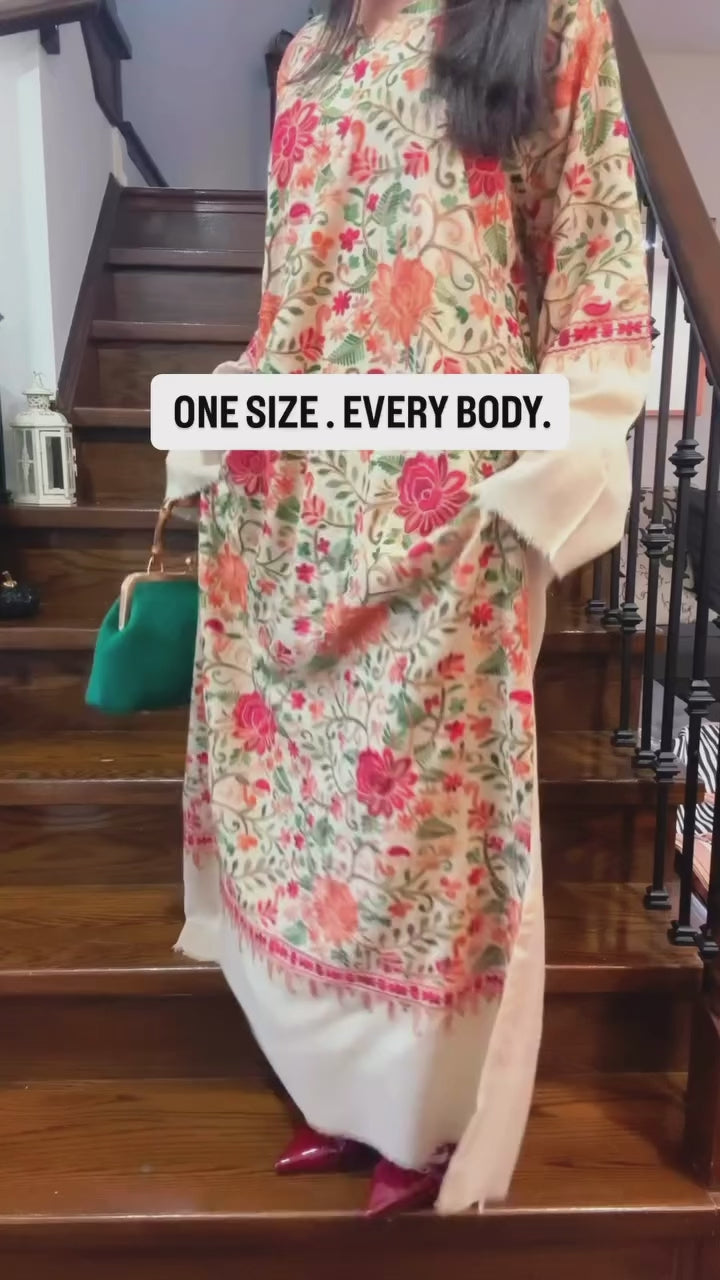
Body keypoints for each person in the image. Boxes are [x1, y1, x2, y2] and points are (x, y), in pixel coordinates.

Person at [166, 0, 651, 1216]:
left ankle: (429, 1121)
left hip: (455, 514)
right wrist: (230, 420)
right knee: (315, 814)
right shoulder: (310, 54)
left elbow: (594, 263)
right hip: (301, 510)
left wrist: (560, 459)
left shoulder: (547, 21)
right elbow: (293, 294)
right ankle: (341, 1098)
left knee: (434, 829)